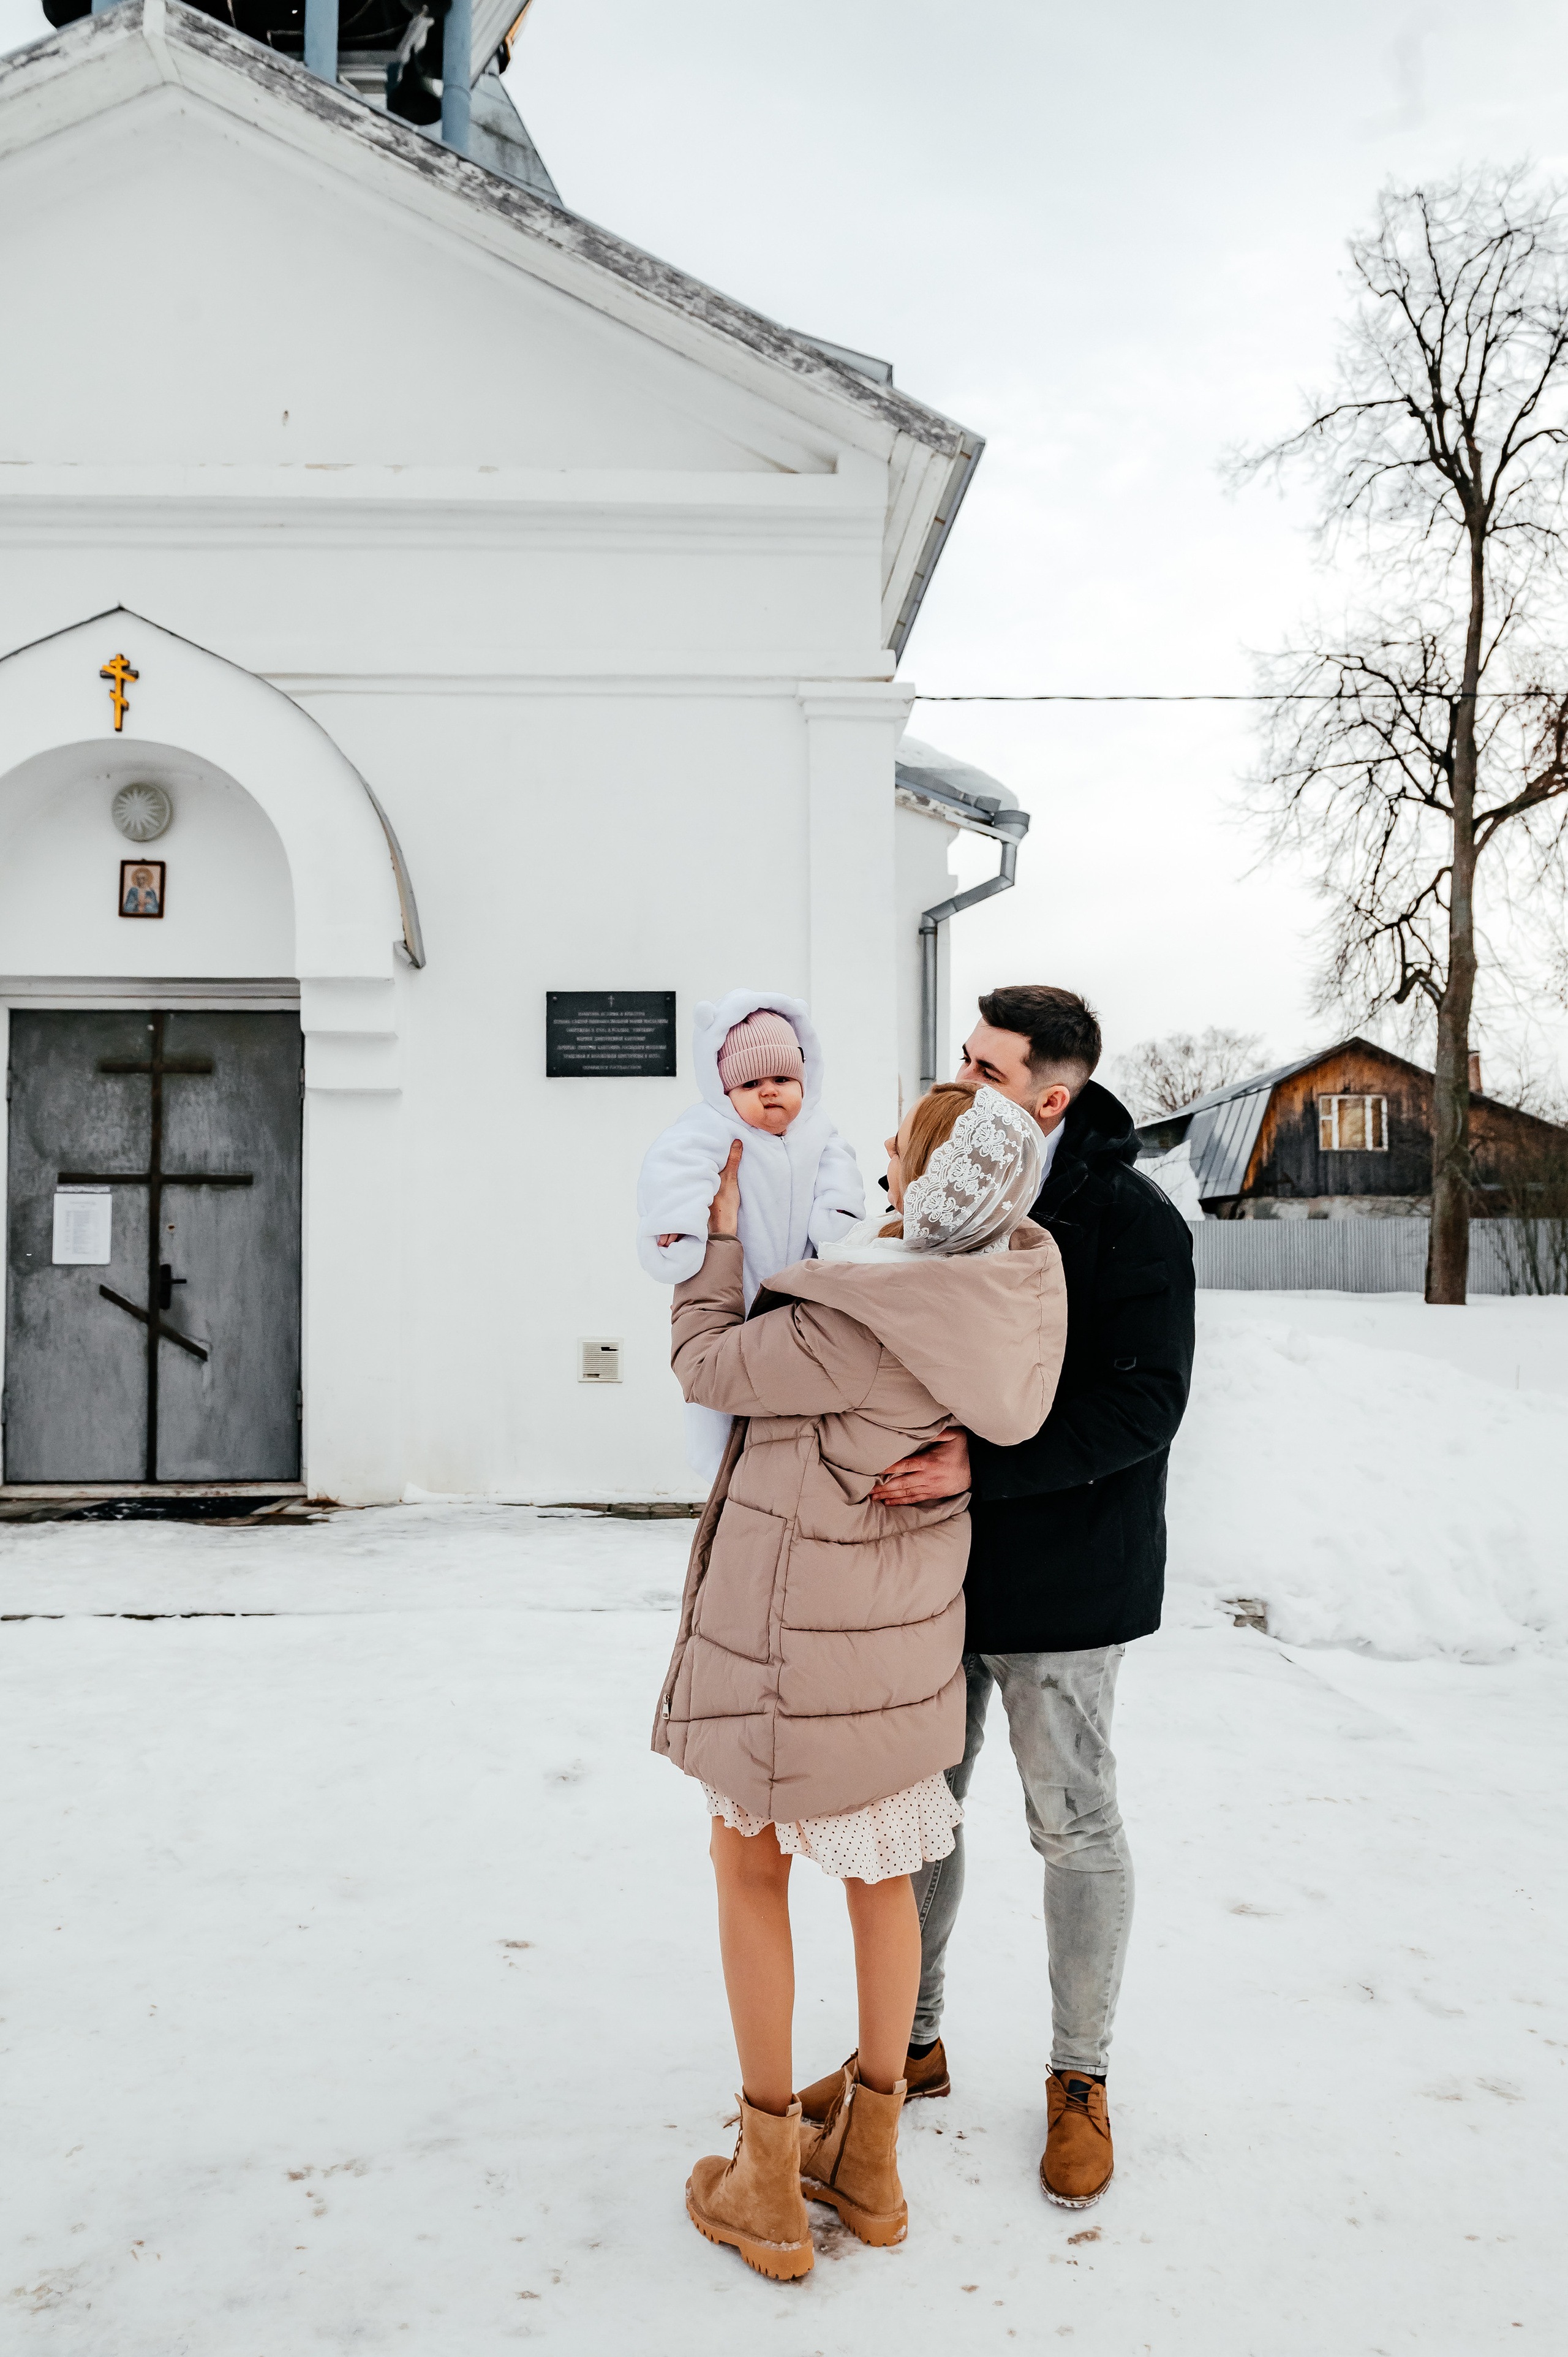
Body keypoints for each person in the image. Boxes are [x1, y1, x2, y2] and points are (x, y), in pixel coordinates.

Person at [653, 1083, 1066, 2280]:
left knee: (750, 1868)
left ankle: (768, 2183)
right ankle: (870, 2163)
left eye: (900, 1145)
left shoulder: (859, 1311)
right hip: (897, 1654)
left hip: (798, 1647)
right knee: (882, 1880)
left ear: (917, 1176)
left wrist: (719, 1238)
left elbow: (703, 1361)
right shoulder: (998, 1303)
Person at [800, 985, 1196, 2212]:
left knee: (1070, 1824)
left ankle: (1078, 2077)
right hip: (933, 1566)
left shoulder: (1129, 1224)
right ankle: (901, 2048)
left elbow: (1143, 1406)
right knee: (920, 1815)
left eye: (984, 1067)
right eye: (961, 1058)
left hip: (1070, 1575)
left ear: (1050, 1095)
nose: (957, 1081)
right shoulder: (937, 1191)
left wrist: (987, 1458)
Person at [635, 991, 864, 1480]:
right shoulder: (710, 1127)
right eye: (750, 1082)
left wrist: (838, 1217)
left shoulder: (819, 1130)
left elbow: (841, 1174)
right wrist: (677, 1221)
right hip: (734, 1286)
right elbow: (676, 1167)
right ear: (723, 1089)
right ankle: (719, 1466)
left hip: (798, 1293)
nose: (769, 1091)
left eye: (783, 1079)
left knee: (787, 1392)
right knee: (722, 1393)